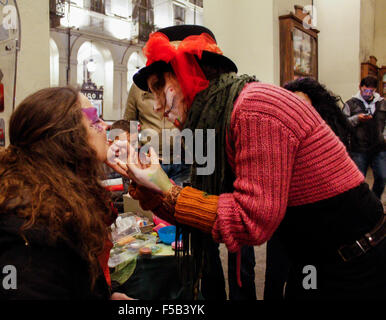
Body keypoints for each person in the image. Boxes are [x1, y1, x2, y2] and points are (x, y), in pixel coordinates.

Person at [117, 25, 385, 300]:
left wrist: (168, 189)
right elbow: (211, 205)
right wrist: (155, 191)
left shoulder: (253, 108)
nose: (158, 106)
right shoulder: (223, 115)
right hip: (313, 253)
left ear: (187, 73)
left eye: (159, 87)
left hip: (353, 260)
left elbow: (249, 221)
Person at [0, 87, 132, 300]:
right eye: (94, 120)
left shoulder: (55, 201)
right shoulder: (30, 232)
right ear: (67, 139)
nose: (105, 126)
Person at [260, 78, 355, 300]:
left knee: (306, 282)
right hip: (282, 224)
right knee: (274, 278)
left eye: (303, 106)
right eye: (290, 106)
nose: (295, 113)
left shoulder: (328, 143)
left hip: (315, 228)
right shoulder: (276, 138)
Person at [125, 83, 191, 186]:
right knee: (151, 201)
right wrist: (135, 157)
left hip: (181, 164)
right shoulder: (137, 87)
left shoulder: (178, 81)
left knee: (179, 200)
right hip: (151, 163)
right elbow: (129, 124)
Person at [343, 76, 386, 200]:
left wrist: (384, 136)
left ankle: (374, 201)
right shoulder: (350, 104)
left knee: (382, 177)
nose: (367, 94)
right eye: (365, 91)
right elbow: (343, 123)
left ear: (375, 90)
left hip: (379, 147)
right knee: (358, 181)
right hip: (358, 148)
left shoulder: (382, 103)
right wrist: (357, 118)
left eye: (370, 91)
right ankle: (361, 205)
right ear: (360, 88)